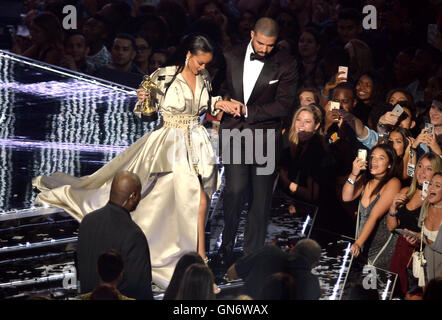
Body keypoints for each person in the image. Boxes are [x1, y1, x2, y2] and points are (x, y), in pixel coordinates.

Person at [33, 34, 241, 289]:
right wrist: (145, 101)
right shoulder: (163, 76)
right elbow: (146, 115)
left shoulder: (204, 77)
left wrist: (220, 103)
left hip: (196, 141)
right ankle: (190, 256)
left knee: (199, 198)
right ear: (189, 55)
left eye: (206, 63)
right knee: (182, 198)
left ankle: (198, 255)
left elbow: (204, 103)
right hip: (169, 143)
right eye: (200, 62)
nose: (203, 67)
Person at [217, 17, 298, 266]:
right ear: (252, 34)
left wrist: (247, 111)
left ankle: (251, 256)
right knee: (234, 191)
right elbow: (215, 87)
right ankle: (226, 247)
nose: (264, 50)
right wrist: (222, 101)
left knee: (260, 199)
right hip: (233, 133)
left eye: (269, 46)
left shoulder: (287, 63)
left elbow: (284, 105)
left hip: (265, 138)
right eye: (261, 43)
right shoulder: (230, 54)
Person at [75, 171, 153, 300]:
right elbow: (140, 288)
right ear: (133, 196)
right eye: (139, 193)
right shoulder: (134, 235)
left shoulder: (87, 222)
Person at [387, 153, 442, 297]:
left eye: (429, 169)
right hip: (399, 254)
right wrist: (393, 207)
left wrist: (420, 238)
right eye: (420, 166)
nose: (422, 172)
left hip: (419, 261)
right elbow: (391, 227)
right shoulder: (407, 192)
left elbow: (435, 239)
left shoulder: (434, 202)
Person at [342, 144, 401, 270]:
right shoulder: (365, 180)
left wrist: (358, 243)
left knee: (373, 286)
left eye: (381, 158)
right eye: (372, 157)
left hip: (380, 250)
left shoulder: (393, 183)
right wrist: (354, 173)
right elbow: (346, 197)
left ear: (390, 164)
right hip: (362, 245)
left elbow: (374, 216)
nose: (374, 161)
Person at [226, 239, 322, 300]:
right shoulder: (313, 284)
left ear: (292, 250)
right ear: (314, 264)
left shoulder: (269, 252)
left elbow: (231, 273)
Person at [405, 172, 442, 284]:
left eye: (438, 185)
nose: (431, 188)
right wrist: (415, 238)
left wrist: (422, 238)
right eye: (430, 183)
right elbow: (423, 238)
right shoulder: (426, 204)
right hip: (424, 271)